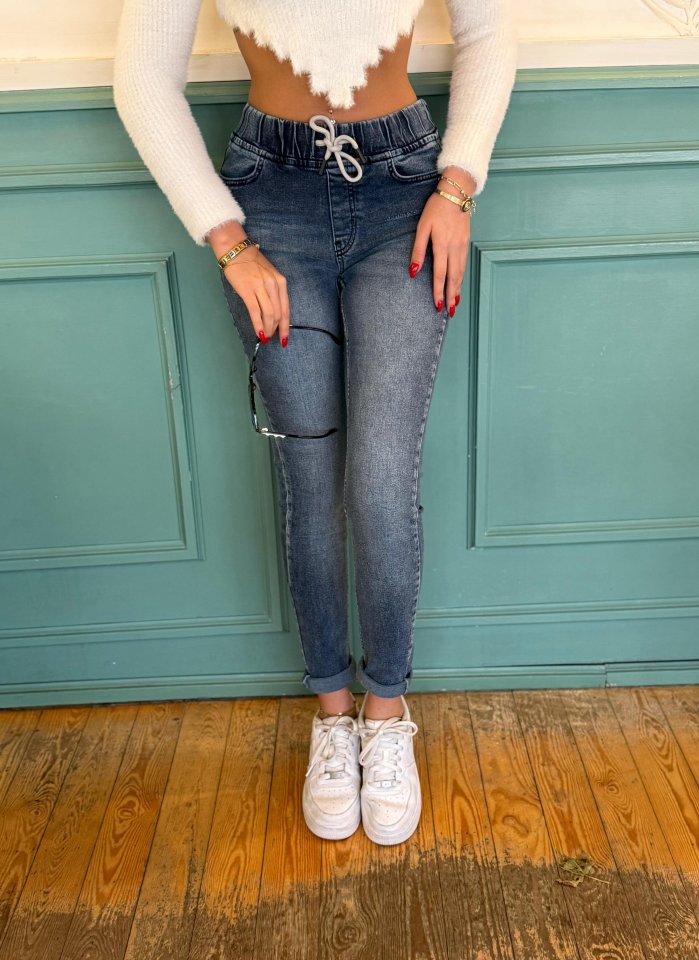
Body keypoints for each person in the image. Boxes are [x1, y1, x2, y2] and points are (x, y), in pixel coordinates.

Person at [112, 0, 518, 846]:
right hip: (271, 199)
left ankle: (386, 712)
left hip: (406, 192)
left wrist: (457, 185)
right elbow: (142, 78)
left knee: (380, 481)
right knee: (310, 479)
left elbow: (489, 30)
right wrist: (227, 238)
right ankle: (332, 716)